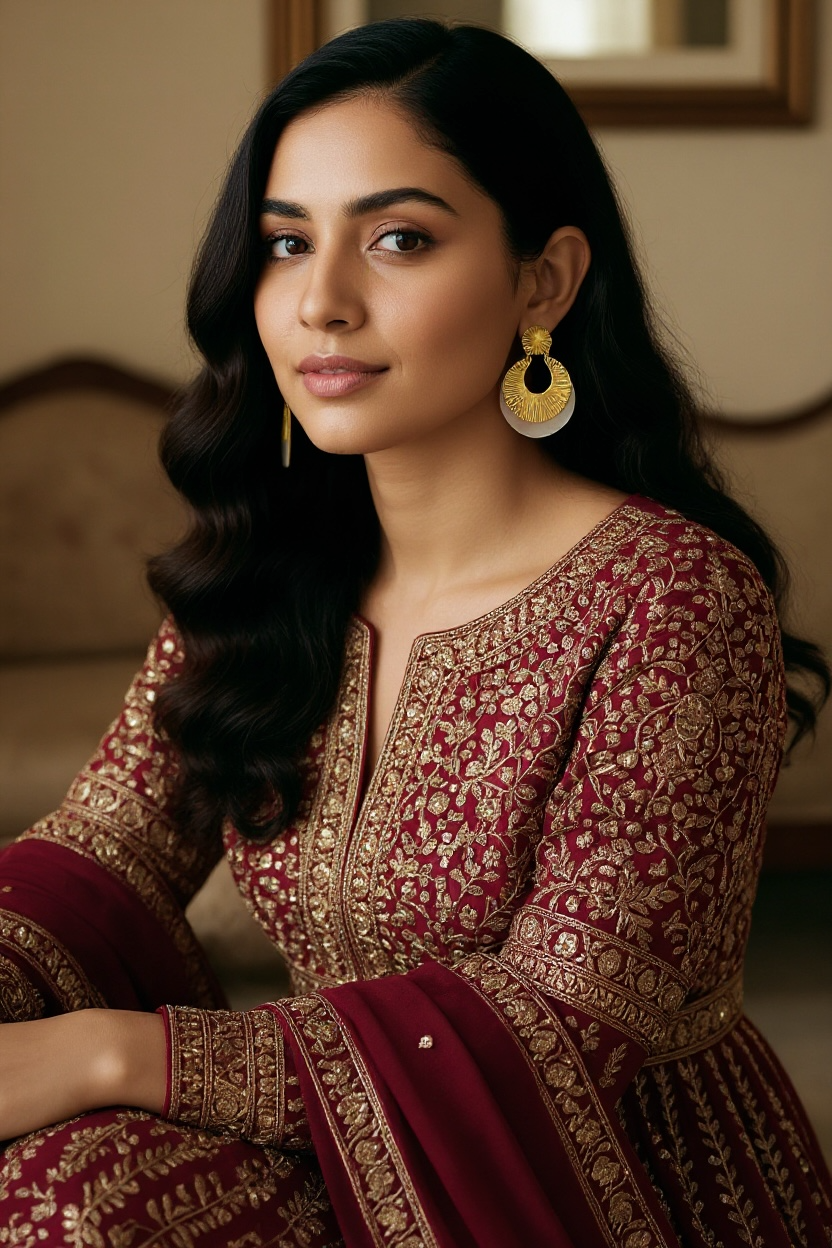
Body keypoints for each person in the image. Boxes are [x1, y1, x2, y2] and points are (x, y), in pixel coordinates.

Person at [0, 16, 829, 1247]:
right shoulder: (269, 577)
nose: (321, 302)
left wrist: (114, 1054)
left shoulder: (669, 597)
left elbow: (569, 1021)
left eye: (397, 239)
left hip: (571, 1175)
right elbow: (106, 852)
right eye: (286, 244)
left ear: (542, 280)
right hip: (327, 1133)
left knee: (81, 1199)